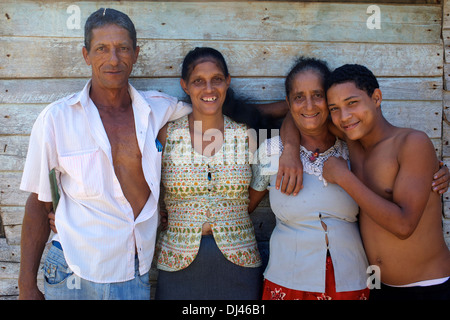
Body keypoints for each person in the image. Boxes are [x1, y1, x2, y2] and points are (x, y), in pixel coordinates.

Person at [18, 8, 196, 300]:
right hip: (72, 273)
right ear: (86, 55)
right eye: (102, 49)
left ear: (136, 54)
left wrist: (290, 131)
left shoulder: (158, 109)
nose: (113, 59)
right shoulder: (56, 119)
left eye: (122, 48)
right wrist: (26, 287)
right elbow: (39, 203)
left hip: (133, 272)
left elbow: (214, 109)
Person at [323, 64, 450, 300]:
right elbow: (300, 113)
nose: (344, 116)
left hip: (427, 287)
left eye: (352, 103)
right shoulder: (353, 140)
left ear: (377, 97)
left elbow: (404, 226)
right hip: (377, 287)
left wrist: (343, 177)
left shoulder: (412, 143)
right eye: (334, 108)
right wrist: (289, 149)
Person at [249, 57, 371, 300]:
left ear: (330, 99)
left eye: (318, 95)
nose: (309, 105)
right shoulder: (272, 152)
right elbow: (245, 206)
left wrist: (436, 169)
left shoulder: (354, 150)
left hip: (350, 281)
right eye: (298, 97)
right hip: (288, 281)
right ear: (288, 103)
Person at [154, 47, 264, 300]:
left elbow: (261, 180)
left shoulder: (245, 135)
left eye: (216, 79)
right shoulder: (166, 135)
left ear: (228, 82)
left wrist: (232, 213)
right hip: (176, 260)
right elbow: (147, 181)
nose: (208, 89)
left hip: (241, 261)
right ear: (185, 86)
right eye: (198, 81)